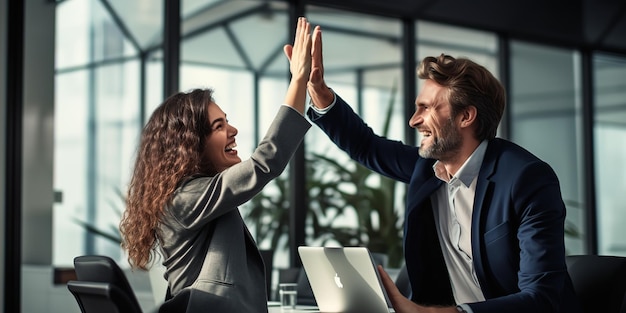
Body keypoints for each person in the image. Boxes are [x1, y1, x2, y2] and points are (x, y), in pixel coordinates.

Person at [305, 27, 582, 313]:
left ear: (465, 116)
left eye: (426, 108)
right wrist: (320, 92)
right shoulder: (425, 169)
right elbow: (367, 147)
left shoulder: (526, 179)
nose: (414, 121)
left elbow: (542, 298)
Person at [119, 17, 316, 312]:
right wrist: (298, 80)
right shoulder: (186, 197)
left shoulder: (189, 195)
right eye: (218, 125)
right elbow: (266, 163)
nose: (233, 130)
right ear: (192, 144)